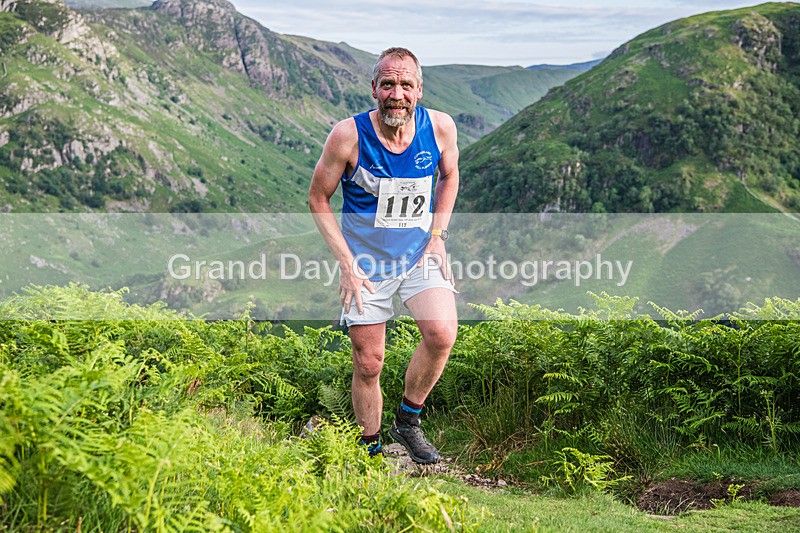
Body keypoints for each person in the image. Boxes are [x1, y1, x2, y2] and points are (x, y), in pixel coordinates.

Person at [308, 47, 459, 464]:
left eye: (406, 85)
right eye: (388, 84)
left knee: (442, 333)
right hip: (366, 263)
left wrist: (438, 235)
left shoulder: (440, 128)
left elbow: (449, 175)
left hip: (417, 254)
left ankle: (408, 421)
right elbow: (318, 198)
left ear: (419, 90)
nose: (397, 94)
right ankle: (370, 449)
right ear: (374, 88)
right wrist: (346, 264)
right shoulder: (348, 135)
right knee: (370, 362)